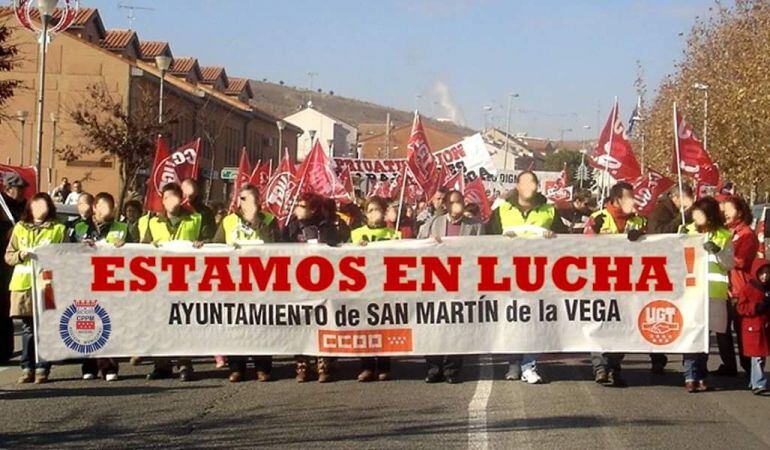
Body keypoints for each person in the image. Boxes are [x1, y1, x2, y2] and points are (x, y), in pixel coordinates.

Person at [485, 171, 558, 384]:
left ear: (537, 186)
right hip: (508, 274)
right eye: (525, 182)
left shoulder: (550, 210)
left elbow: (566, 240)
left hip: (539, 275)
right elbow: (485, 239)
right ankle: (513, 363)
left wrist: (554, 237)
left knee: (533, 321)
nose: (529, 186)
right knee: (513, 320)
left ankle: (529, 364)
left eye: (533, 182)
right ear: (517, 185)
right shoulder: (502, 210)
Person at [212, 185, 280, 383]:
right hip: (234, 280)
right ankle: (237, 367)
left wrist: (256, 221)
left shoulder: (269, 220)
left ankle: (262, 367)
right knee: (237, 324)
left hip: (262, 280)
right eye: (242, 199)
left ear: (258, 201)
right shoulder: (229, 221)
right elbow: (216, 246)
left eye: (250, 199)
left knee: (261, 324)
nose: (246, 203)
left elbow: (276, 246)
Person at [584, 181, 646, 387]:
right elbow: (584, 247)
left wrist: (641, 239)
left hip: (627, 282)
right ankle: (600, 367)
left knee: (623, 325)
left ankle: (614, 365)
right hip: (600, 279)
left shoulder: (638, 221)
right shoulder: (598, 218)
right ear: (616, 199)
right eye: (629, 197)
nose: (633, 201)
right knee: (600, 323)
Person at [419, 190, 483, 384]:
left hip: (461, 282)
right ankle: (433, 367)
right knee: (434, 325)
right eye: (453, 202)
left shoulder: (475, 226)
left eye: (460, 202)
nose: (457, 206)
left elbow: (483, 251)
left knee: (456, 326)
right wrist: (431, 242)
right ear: (446, 205)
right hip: (435, 281)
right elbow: (418, 244)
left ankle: (451, 370)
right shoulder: (433, 223)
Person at [143, 182, 204, 382]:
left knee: (182, 322)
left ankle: (185, 364)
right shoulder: (152, 222)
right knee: (159, 322)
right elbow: (138, 248)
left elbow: (210, 242)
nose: (171, 201)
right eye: (167, 197)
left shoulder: (195, 219)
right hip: (158, 280)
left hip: (185, 279)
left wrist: (201, 244)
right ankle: (161, 364)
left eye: (175, 197)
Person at [5, 193, 66, 384]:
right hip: (23, 284)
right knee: (28, 328)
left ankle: (43, 367)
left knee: (45, 327)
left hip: (47, 283)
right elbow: (9, 256)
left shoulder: (58, 228)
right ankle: (27, 367)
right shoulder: (20, 228)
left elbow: (65, 256)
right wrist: (21, 254)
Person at [282, 192, 340, 382]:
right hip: (298, 284)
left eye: (302, 205)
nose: (297, 208)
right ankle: (302, 364)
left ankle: (323, 363)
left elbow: (337, 251)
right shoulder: (291, 228)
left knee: (323, 322)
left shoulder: (327, 227)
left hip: (324, 283)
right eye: (297, 204)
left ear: (313, 209)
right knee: (300, 324)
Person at [681, 197, 734, 393]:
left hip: (713, 292)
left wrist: (718, 251)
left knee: (704, 336)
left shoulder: (724, 235)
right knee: (691, 333)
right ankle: (690, 374)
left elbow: (729, 264)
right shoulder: (686, 231)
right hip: (690, 291)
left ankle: (701, 373)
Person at [76, 192, 131, 382]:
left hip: (112, 283)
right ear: (95, 208)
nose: (108, 210)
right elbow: (65, 252)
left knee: (110, 324)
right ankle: (88, 365)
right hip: (86, 282)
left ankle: (109, 366)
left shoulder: (123, 228)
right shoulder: (79, 228)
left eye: (111, 206)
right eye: (104, 206)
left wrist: (126, 246)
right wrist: (80, 247)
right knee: (87, 324)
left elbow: (137, 252)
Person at [643, 184, 695, 375]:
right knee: (659, 312)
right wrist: (682, 218)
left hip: (680, 268)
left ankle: (687, 361)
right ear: (677, 197)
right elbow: (659, 233)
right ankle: (657, 356)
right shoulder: (660, 211)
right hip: (661, 269)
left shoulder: (678, 212)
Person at [351, 196, 400, 382]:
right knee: (365, 326)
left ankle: (384, 365)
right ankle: (367, 366)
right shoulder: (356, 234)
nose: (374, 213)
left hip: (385, 285)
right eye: (370, 210)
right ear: (365, 214)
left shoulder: (394, 234)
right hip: (363, 287)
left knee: (383, 325)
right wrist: (355, 248)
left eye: (377, 209)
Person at [717, 195, 757, 376]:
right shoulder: (726, 232)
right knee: (722, 330)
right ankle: (729, 365)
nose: (725, 213)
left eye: (729, 210)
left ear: (740, 212)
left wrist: (719, 253)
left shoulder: (747, 234)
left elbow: (740, 261)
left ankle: (750, 368)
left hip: (740, 290)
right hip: (723, 288)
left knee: (742, 331)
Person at [0, 172, 28, 362]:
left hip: (21, 266)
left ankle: (8, 350)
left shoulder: (26, 207)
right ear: (8, 189)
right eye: (19, 189)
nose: (22, 192)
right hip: (2, 264)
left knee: (13, 310)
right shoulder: (2, 208)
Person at [736, 261, 770, 395]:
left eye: (767, 273)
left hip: (765, 328)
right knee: (757, 357)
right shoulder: (748, 288)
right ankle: (758, 383)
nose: (765, 276)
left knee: (760, 357)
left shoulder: (768, 288)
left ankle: (754, 381)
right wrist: (756, 307)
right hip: (753, 328)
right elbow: (741, 307)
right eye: (762, 273)